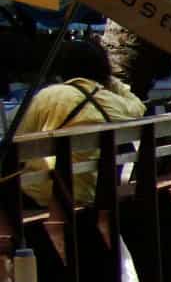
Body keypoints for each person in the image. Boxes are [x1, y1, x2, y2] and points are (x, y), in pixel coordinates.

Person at [13, 38, 146, 206]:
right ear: (103, 68)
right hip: (87, 193)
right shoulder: (112, 102)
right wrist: (110, 80)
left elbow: (18, 142)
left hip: (38, 193)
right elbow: (139, 107)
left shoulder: (47, 96)